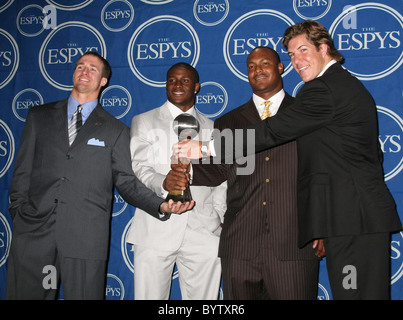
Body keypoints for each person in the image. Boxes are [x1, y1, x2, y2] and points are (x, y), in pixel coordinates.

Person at [175, 20, 402, 300]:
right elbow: (370, 155)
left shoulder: (323, 90)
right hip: (351, 220)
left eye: (304, 50)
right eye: (292, 54)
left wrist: (206, 147)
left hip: (352, 222)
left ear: (324, 48)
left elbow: (273, 131)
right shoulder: (344, 86)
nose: (297, 60)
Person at [6, 51, 192, 300]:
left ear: (104, 80)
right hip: (34, 235)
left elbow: (126, 182)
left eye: (93, 68)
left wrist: (160, 204)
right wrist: (19, 212)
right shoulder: (38, 116)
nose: (85, 71)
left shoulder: (115, 130)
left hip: (85, 237)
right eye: (80, 66)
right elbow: (22, 171)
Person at [170, 47, 320, 299]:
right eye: (251, 66)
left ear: (281, 67)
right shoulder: (228, 121)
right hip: (240, 245)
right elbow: (218, 171)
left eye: (264, 63)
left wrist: (322, 227)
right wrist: (185, 174)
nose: (257, 70)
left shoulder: (305, 113)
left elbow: (322, 173)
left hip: (295, 242)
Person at [126, 62, 227, 300]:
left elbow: (222, 178)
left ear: (197, 87)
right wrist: (164, 183)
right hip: (155, 227)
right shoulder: (143, 121)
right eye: (171, 80)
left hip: (204, 230)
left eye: (184, 80)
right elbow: (138, 167)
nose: (177, 85)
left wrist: (220, 219)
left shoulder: (215, 128)